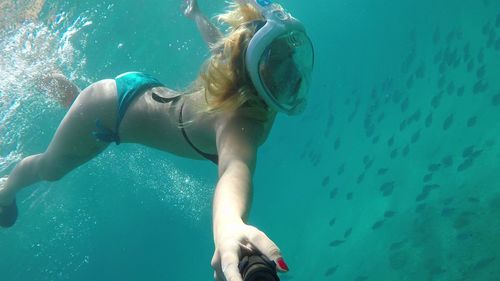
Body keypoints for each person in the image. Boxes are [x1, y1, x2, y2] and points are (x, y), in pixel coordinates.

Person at [0, 0, 314, 280]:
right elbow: (234, 169)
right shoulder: (240, 122)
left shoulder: (243, 79)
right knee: (51, 169)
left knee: (79, 115)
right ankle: (6, 188)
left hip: (137, 92)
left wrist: (196, 15)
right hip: (112, 109)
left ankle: (47, 73)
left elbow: (218, 44)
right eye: (277, 66)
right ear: (252, 80)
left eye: (290, 57)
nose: (293, 74)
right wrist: (229, 224)